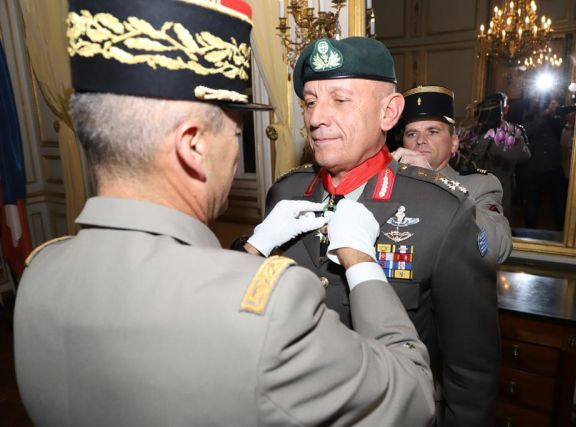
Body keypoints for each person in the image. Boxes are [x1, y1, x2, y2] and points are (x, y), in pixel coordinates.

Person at [13, 2, 436, 426]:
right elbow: (413, 396)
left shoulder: (39, 272)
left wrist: (251, 249)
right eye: (236, 133)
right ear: (193, 146)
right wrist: (361, 262)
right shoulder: (272, 305)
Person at [246, 38, 500, 427]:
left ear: (388, 112)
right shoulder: (286, 194)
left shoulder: (439, 209)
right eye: (311, 102)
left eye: (340, 100)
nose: (316, 118)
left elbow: (470, 370)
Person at [392, 85, 512, 264]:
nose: (420, 140)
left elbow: (496, 249)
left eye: (432, 131)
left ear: (454, 143)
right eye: (411, 133)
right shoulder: (387, 183)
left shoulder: (479, 186)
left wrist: (435, 183)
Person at [466, 92, 531, 220]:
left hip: (476, 192)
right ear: (503, 110)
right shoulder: (512, 136)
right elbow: (526, 156)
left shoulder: (472, 133)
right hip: (499, 193)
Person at [523, 96, 567, 230]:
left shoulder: (559, 118)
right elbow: (527, 131)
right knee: (532, 204)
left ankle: (562, 234)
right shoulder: (532, 116)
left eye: (556, 103)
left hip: (554, 166)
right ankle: (528, 234)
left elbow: (563, 132)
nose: (553, 106)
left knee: (559, 204)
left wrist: (555, 115)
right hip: (536, 167)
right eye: (551, 103)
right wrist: (543, 115)